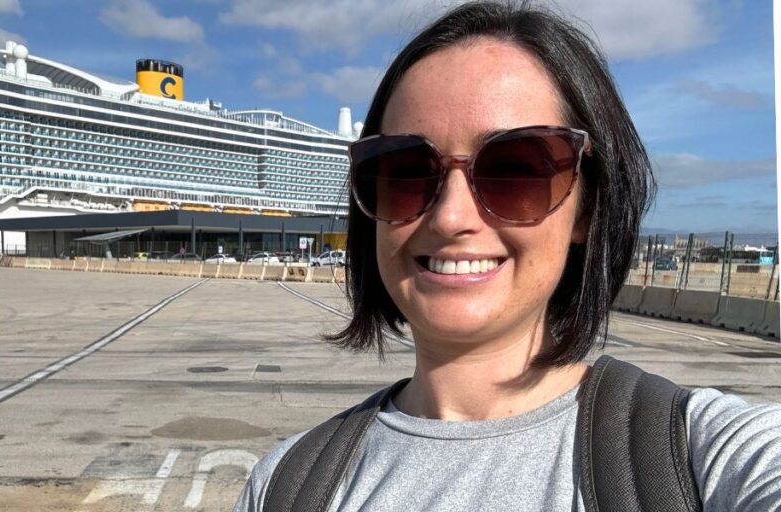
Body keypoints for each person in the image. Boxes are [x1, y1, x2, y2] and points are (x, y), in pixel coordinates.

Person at [234, 1, 781, 511]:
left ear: (586, 208)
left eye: (515, 168)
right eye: (404, 170)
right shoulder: (285, 484)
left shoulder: (696, 456)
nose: (451, 217)